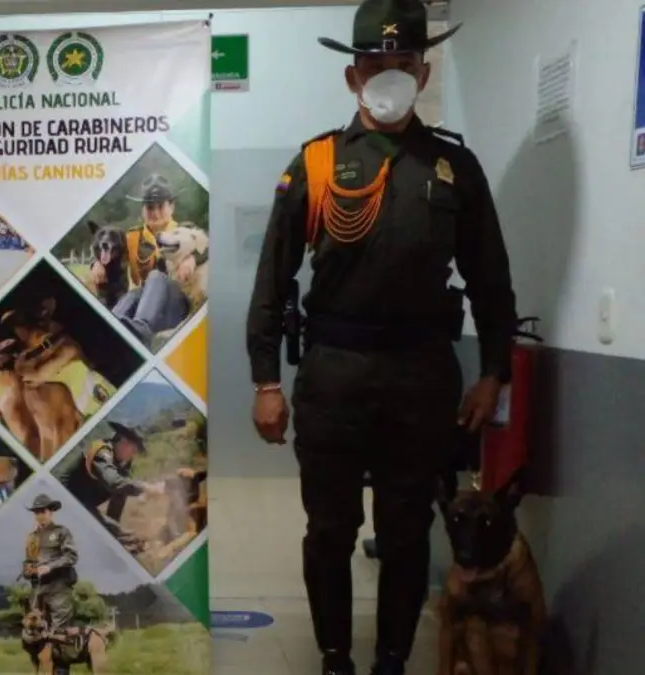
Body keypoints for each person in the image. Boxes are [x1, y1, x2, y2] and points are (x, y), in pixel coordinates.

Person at [245, 2, 518, 674]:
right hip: (334, 374)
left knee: (405, 531)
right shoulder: (317, 163)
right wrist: (266, 380)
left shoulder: (455, 167)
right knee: (329, 529)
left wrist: (494, 371)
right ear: (352, 76)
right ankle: (335, 658)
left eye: (404, 62)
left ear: (423, 72)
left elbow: (491, 278)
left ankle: (392, 660)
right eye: (375, 64)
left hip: (421, 376)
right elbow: (272, 279)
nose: (389, 74)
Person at [92, 174, 203, 344]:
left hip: (175, 306)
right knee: (136, 292)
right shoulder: (132, 237)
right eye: (150, 207)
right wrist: (97, 263)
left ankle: (141, 328)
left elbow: (209, 245)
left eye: (160, 206)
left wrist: (193, 258)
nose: (155, 213)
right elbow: (110, 249)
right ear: (142, 210)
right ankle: (109, 326)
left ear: (171, 206)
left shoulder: (185, 231)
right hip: (143, 304)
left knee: (156, 276)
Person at [61, 422, 165, 550]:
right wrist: (146, 487)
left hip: (85, 503)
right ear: (123, 442)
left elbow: (122, 490)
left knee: (115, 533)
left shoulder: (122, 462)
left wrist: (113, 526)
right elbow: (115, 482)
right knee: (115, 534)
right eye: (133, 450)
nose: (133, 455)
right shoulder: (101, 452)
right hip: (65, 499)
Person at [23, 494, 79, 637]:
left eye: (43, 511)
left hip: (58, 587)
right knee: (34, 630)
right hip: (38, 589)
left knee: (59, 632)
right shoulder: (32, 537)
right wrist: (28, 570)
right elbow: (29, 560)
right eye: (37, 512)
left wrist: (50, 567)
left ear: (51, 512)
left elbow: (71, 556)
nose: (40, 515)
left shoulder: (61, 531)